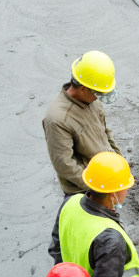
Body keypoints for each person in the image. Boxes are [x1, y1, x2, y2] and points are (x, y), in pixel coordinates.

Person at [43, 51, 122, 196]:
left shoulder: (91, 100)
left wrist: (119, 163)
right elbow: (64, 164)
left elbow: (105, 132)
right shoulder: (58, 119)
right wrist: (97, 188)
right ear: (83, 88)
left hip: (103, 175)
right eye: (97, 94)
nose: (98, 98)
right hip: (84, 190)